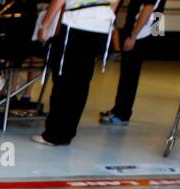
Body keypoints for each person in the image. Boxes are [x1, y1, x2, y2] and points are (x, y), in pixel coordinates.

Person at [34, 0, 121, 145]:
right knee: (81, 81)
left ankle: (53, 134)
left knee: (63, 79)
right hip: (100, 26)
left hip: (75, 24)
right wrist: (106, 14)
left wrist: (45, 24)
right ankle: (68, 132)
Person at [100, 0, 164, 124]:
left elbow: (148, 8)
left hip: (141, 32)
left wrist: (133, 36)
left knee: (129, 74)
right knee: (127, 73)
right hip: (141, 29)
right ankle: (118, 109)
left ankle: (122, 113)